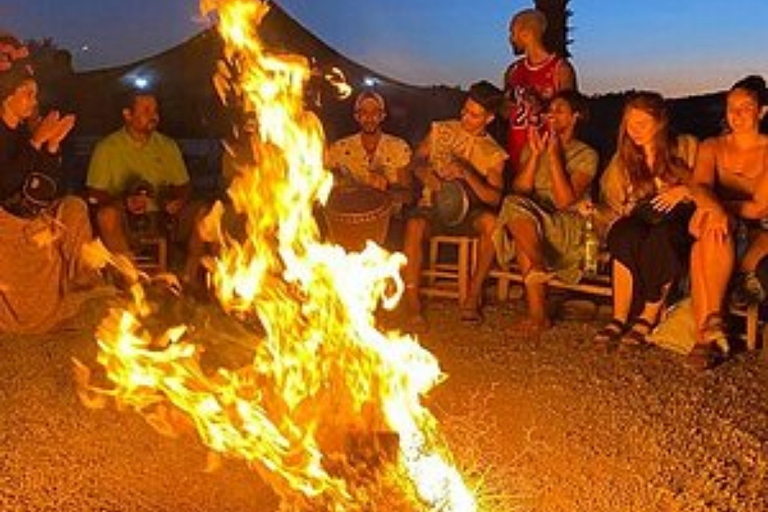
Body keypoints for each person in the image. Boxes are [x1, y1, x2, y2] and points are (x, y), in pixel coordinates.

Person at [0, 35, 103, 334]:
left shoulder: (21, 133)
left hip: (26, 214)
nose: (34, 102)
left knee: (72, 207)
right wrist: (37, 141)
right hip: (5, 220)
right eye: (28, 94)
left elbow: (42, 187)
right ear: (6, 95)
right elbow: (5, 184)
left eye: (35, 94)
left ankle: (82, 277)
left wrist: (52, 146)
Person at [594, 92, 698, 349]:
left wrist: (685, 190)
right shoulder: (624, 160)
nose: (634, 131)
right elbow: (614, 206)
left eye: (642, 124)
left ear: (660, 122)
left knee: (661, 238)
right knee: (622, 234)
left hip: (680, 218)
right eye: (630, 124)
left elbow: (707, 186)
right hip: (643, 216)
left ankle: (647, 316)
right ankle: (619, 316)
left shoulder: (686, 146)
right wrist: (597, 210)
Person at [401, 81, 508, 329]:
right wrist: (424, 173)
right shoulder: (441, 130)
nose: (465, 117)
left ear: (489, 118)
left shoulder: (493, 153)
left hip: (469, 211)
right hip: (433, 205)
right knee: (415, 224)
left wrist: (467, 173)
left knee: (492, 224)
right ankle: (413, 304)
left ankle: (472, 298)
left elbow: (494, 198)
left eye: (474, 115)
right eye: (464, 110)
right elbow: (415, 159)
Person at [493, 90, 598, 331]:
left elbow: (564, 202)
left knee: (521, 224)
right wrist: (535, 156)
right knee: (517, 211)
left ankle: (537, 313)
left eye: (559, 111)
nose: (551, 115)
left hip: (566, 223)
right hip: (533, 217)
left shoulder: (586, 154)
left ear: (575, 117)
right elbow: (521, 189)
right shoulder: (535, 147)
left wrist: (552, 157)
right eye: (549, 110)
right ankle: (538, 280)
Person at [86, 90, 208, 286]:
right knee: (105, 216)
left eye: (155, 110)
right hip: (126, 218)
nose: (154, 115)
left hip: (162, 216)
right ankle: (131, 283)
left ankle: (188, 280)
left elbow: (183, 187)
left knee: (204, 213)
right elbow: (94, 195)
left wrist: (177, 201)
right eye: (146, 110)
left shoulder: (167, 146)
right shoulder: (107, 148)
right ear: (128, 114)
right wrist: (125, 202)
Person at [686, 75, 768, 369]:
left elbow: (759, 208)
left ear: (762, 111)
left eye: (745, 107)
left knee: (701, 245)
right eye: (731, 107)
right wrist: (714, 209)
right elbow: (699, 186)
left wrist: (715, 209)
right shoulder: (712, 146)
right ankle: (715, 324)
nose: (736, 114)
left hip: (757, 233)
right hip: (721, 228)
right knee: (711, 227)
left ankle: (705, 334)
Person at [326, 91, 413, 249]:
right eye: (364, 113)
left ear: (383, 115)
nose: (369, 118)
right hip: (348, 221)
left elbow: (408, 196)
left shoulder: (399, 147)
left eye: (375, 112)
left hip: (390, 220)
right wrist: (348, 186)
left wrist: (385, 191)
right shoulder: (339, 149)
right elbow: (325, 187)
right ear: (356, 116)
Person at [504, 8, 577, 173]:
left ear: (526, 33)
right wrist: (500, 102)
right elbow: (505, 113)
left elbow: (571, 115)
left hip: (547, 156)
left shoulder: (560, 68)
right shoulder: (513, 71)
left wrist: (542, 105)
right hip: (516, 153)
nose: (511, 38)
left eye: (512, 32)